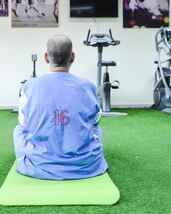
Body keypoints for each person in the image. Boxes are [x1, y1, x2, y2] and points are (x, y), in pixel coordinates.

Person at [13, 35, 108, 180]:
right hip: (85, 164)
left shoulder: (28, 86)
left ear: (46, 57)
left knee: (18, 130)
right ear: (73, 57)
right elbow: (95, 119)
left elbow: (23, 122)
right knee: (96, 129)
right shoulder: (88, 86)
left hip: (39, 163)